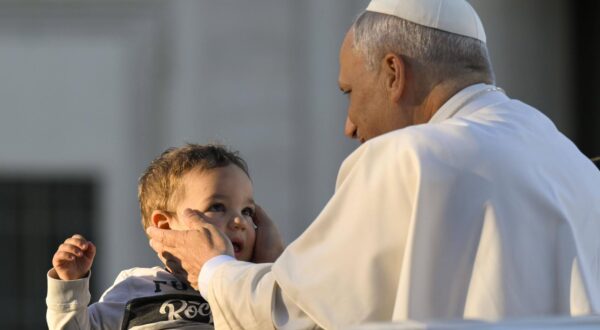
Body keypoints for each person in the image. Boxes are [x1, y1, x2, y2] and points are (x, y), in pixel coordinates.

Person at [147, 0, 600, 329]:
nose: (350, 126)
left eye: (350, 93)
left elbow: (295, 317)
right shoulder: (570, 159)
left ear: (393, 73)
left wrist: (213, 268)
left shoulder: (406, 157)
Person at [46, 144, 278, 329]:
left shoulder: (252, 289)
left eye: (247, 211)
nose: (239, 222)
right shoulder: (136, 288)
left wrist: (272, 270)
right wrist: (70, 286)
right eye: (217, 207)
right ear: (165, 225)